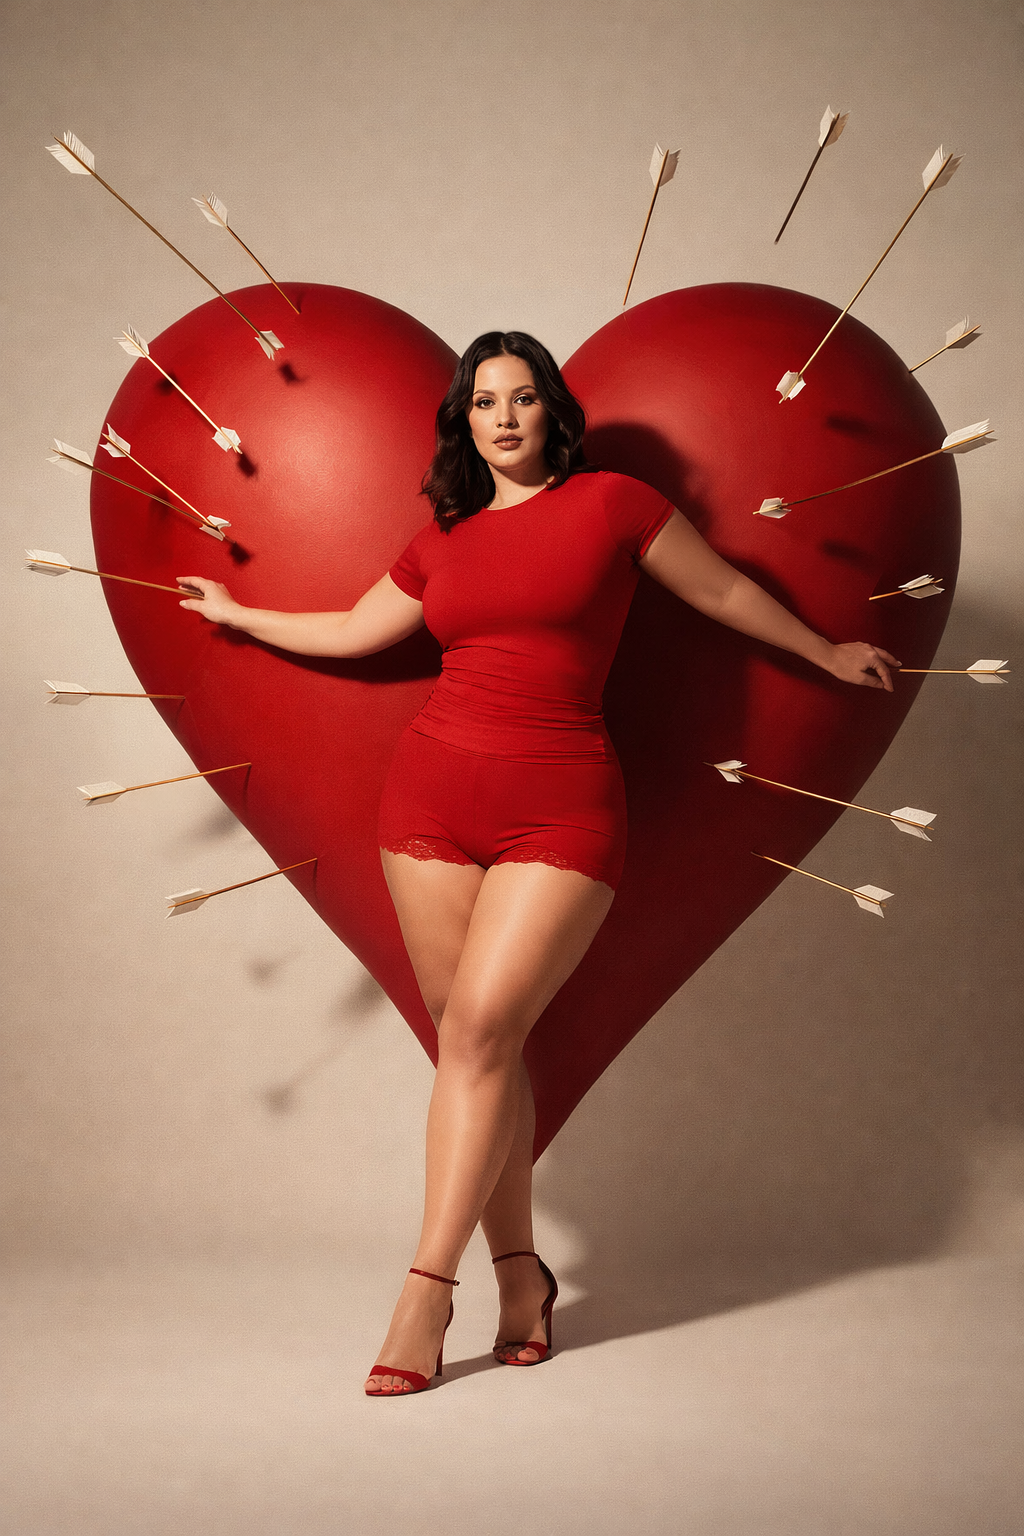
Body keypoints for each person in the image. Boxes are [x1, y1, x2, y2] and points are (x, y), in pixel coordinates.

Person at [178, 331, 899, 1396]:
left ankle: (426, 1289)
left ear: (549, 410)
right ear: (463, 423)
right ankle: (523, 1277)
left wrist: (821, 650)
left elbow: (720, 596)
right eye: (483, 403)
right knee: (475, 1047)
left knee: (477, 1033)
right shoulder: (444, 536)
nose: (504, 417)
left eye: (520, 398)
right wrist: (240, 614)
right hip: (427, 802)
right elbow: (351, 629)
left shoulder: (613, 503)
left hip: (559, 809)